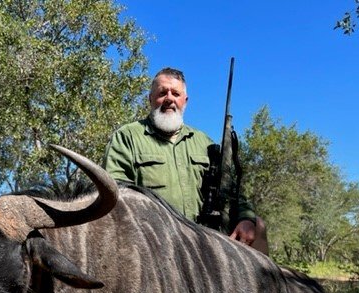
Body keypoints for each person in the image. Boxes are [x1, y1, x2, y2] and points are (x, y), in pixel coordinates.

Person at [103, 67, 268, 254]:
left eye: (176, 93)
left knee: (258, 226)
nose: (169, 98)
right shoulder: (127, 137)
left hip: (206, 239)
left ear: (185, 101)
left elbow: (232, 191)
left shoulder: (204, 142)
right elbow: (115, 195)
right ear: (150, 99)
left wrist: (246, 218)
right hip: (153, 242)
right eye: (162, 93)